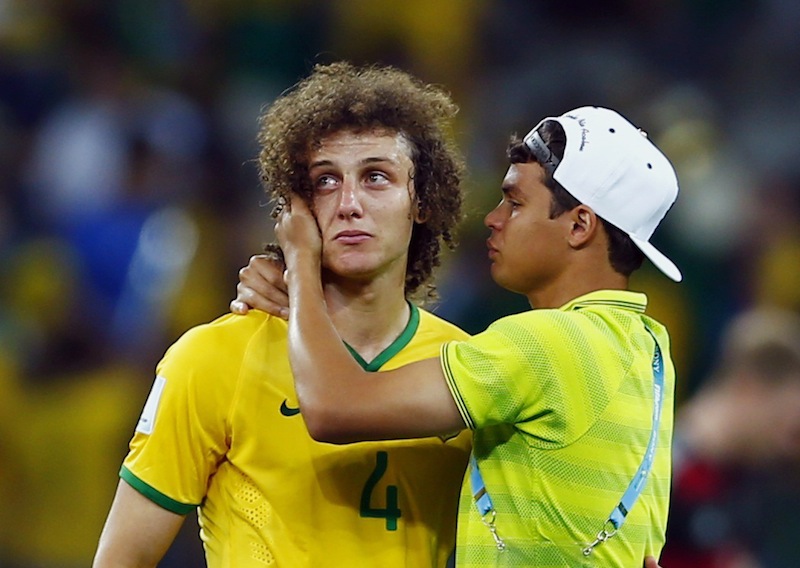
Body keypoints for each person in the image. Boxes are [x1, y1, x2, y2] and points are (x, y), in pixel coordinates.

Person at [94, 61, 473, 568]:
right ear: (292, 210)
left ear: (420, 201)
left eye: (376, 177)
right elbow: (123, 558)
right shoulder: (212, 358)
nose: (349, 204)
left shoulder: (466, 367)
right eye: (325, 182)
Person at [268, 106, 681, 566]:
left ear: (579, 226)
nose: (493, 218)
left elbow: (334, 408)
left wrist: (300, 263)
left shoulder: (545, 344)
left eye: (516, 203)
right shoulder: (650, 349)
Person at [660, 307, 800, 567]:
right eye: (787, 426)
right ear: (749, 387)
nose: (792, 448)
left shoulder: (748, 486)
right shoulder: (663, 471)